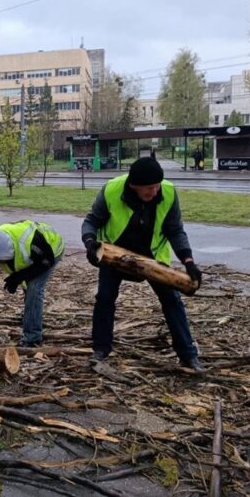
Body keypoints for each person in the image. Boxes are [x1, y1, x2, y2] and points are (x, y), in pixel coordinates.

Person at [81, 157, 205, 371]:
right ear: (134, 186)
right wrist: (90, 243)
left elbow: (175, 230)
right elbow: (91, 221)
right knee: (104, 299)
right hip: (115, 254)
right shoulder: (112, 190)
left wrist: (188, 261)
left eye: (157, 186)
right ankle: (101, 350)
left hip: (153, 255)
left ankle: (188, 355)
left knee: (172, 300)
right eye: (149, 188)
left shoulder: (167, 192)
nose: (155, 191)